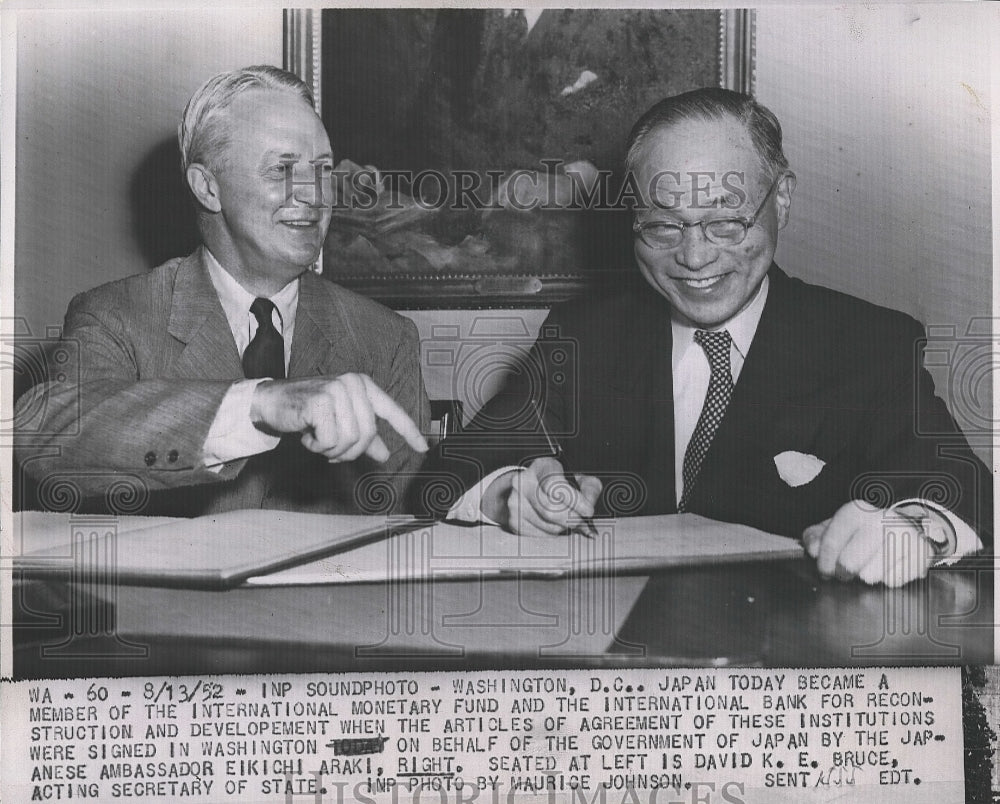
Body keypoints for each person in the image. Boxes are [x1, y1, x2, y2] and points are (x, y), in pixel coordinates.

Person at [414, 88, 990, 587]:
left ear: (781, 200)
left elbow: (968, 492)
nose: (693, 258)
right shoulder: (583, 337)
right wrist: (509, 494)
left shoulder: (868, 343)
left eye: (726, 221)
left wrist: (919, 528)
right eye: (662, 226)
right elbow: (442, 477)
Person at [14, 65, 430, 516]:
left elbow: (416, 507)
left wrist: (485, 497)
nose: (315, 193)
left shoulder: (386, 338)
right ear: (208, 188)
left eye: (323, 168)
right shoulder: (117, 315)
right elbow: (47, 435)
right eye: (282, 169)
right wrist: (259, 403)